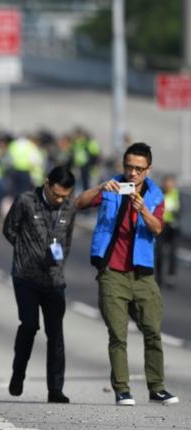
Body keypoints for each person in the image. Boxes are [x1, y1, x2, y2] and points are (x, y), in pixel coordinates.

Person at [74, 142, 179, 406]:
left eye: (139, 169)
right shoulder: (111, 188)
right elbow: (79, 202)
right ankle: (122, 389)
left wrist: (142, 209)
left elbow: (157, 229)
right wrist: (100, 187)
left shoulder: (155, 196)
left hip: (142, 274)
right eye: (129, 167)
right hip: (112, 272)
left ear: (148, 169)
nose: (133, 173)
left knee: (153, 331)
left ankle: (157, 388)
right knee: (117, 334)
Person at [3, 166, 76, 404]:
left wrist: (57, 259)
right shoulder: (26, 201)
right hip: (26, 277)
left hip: (54, 280)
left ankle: (55, 389)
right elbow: (9, 230)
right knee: (30, 324)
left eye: (64, 195)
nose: (59, 199)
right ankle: (18, 372)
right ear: (46, 183)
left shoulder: (68, 208)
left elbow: (66, 241)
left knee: (56, 333)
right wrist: (26, 252)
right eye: (56, 194)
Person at [155, 175, 180, 288]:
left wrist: (177, 219)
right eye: (166, 183)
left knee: (172, 253)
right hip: (161, 226)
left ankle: (171, 276)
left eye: (170, 183)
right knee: (159, 252)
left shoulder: (176, 194)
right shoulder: (159, 194)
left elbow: (181, 210)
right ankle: (159, 276)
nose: (168, 185)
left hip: (173, 228)